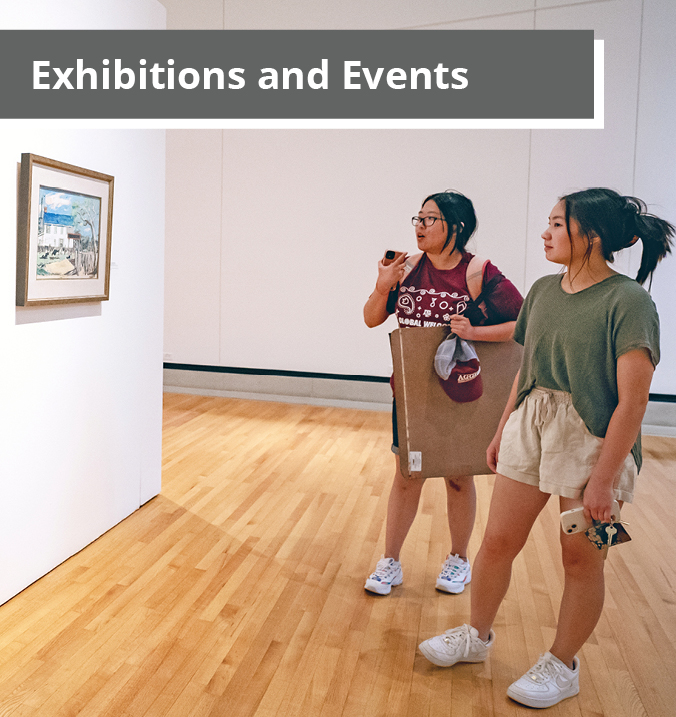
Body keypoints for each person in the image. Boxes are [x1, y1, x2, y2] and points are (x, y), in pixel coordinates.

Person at [418, 188, 673, 709]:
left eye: (558, 224)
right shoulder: (541, 290)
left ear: (591, 236)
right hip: (530, 427)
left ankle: (563, 663)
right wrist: (502, 429)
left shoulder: (630, 301)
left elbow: (633, 401)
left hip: (596, 444)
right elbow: (526, 368)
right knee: (496, 543)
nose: (545, 232)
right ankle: (476, 635)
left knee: (581, 560)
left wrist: (604, 479)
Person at [362, 190, 523, 596]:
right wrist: (384, 286)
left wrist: (476, 332)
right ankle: (390, 562)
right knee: (407, 475)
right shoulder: (408, 267)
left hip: (460, 389)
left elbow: (524, 324)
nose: (418, 226)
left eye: (428, 219)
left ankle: (458, 559)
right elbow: (370, 319)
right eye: (416, 217)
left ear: (457, 227)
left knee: (457, 477)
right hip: (410, 392)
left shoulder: (479, 272)